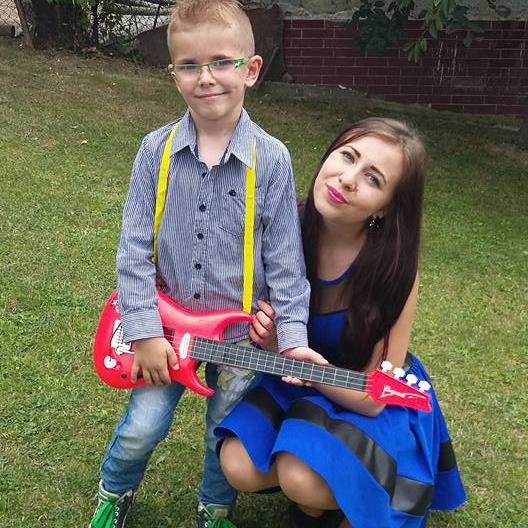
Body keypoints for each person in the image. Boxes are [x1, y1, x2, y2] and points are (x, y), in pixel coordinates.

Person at [89, 2, 313, 527]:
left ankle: (214, 507)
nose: (206, 77)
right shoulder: (155, 151)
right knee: (143, 425)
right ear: (174, 74)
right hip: (164, 333)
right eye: (189, 65)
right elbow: (133, 249)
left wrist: (292, 338)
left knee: (223, 431)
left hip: (239, 340)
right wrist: (145, 332)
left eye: (221, 62)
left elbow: (286, 262)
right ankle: (115, 490)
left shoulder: (272, 159)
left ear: (250, 70)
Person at [216, 118, 467, 528]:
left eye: (373, 178)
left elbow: (373, 397)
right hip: (297, 384)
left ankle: (344, 500)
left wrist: (308, 367)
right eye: (348, 156)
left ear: (385, 207)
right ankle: (319, 501)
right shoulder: (284, 226)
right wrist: (274, 340)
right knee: (238, 464)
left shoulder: (395, 269)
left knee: (301, 477)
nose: (348, 179)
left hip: (364, 396)